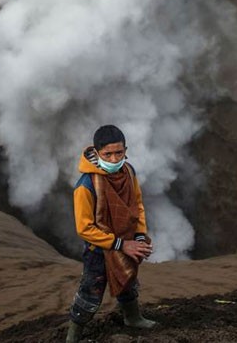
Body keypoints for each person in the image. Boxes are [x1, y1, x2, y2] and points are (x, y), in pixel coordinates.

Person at [66, 125, 156, 343]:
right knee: (91, 291)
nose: (114, 159)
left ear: (126, 150)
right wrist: (120, 245)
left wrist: (140, 236)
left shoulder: (129, 172)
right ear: (97, 153)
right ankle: (72, 337)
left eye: (119, 152)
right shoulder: (85, 186)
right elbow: (84, 228)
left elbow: (137, 206)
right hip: (99, 249)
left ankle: (133, 318)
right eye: (108, 154)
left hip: (126, 239)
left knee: (128, 281)